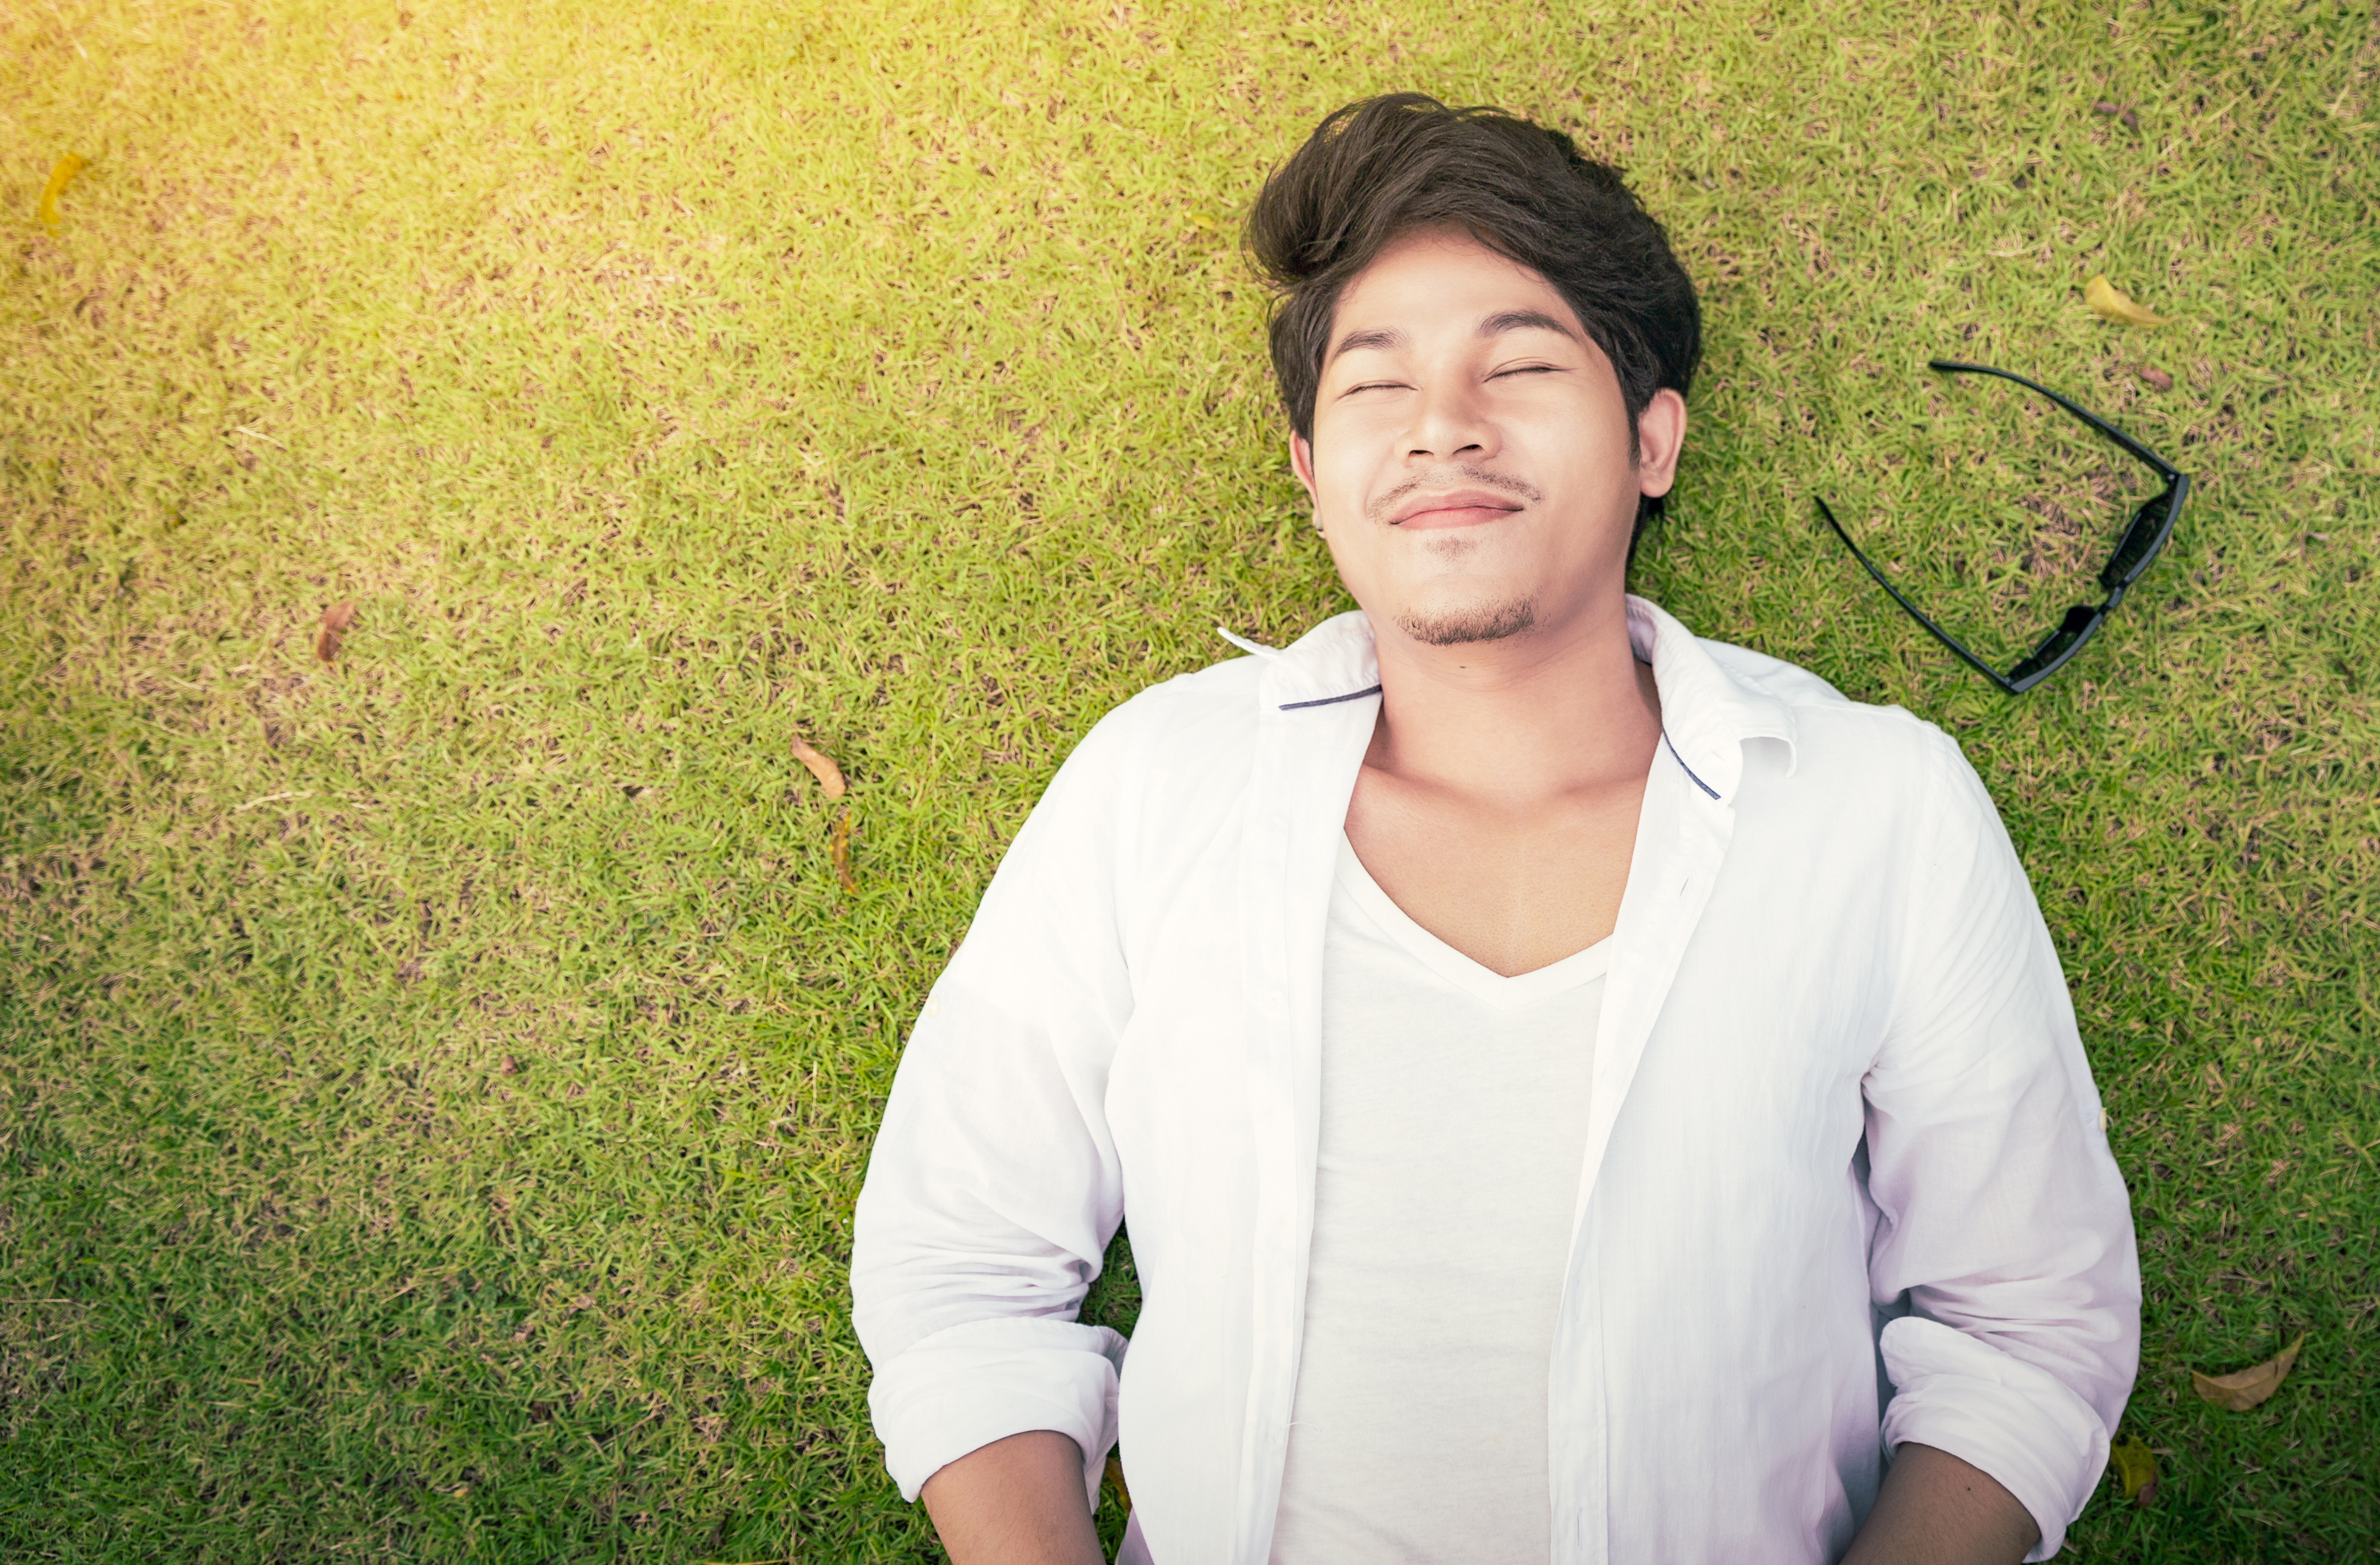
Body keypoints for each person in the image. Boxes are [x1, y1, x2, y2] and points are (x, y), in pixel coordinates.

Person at [848, 93, 2139, 1565]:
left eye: (1517, 365)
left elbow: (2026, 1326)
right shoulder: (1153, 787)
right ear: (1309, 479)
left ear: (1653, 442)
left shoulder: (1874, 810)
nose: (1441, 427)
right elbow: (961, 1272)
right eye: (1373, 386)